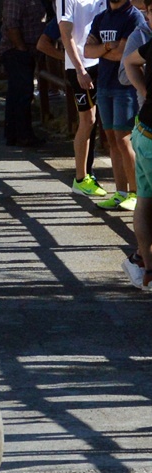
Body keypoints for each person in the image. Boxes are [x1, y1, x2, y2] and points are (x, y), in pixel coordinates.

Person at [84, 0, 145, 209]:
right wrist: (110, 46)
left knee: (124, 139)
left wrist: (101, 49)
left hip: (125, 88)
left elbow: (123, 54)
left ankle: (135, 193)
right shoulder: (101, 18)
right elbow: (87, 51)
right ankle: (120, 193)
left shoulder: (133, 17)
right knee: (111, 140)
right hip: (104, 85)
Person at [60, 0, 108, 196]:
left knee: (98, 121)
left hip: (102, 62)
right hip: (80, 66)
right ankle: (80, 178)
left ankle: (89, 174)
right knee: (87, 120)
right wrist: (80, 70)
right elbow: (66, 34)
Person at [124, 27, 152, 289]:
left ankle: (144, 264)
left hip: (143, 132)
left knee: (144, 201)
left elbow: (129, 61)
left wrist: (144, 90)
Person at [0, 0, 46, 147]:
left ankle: (14, 134)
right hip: (16, 52)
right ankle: (22, 135)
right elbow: (11, 24)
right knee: (22, 93)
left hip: (27, 51)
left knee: (18, 93)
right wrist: (21, 49)